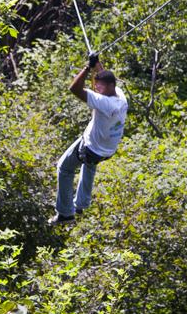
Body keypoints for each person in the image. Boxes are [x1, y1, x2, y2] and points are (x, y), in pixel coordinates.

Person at [49, 53, 128, 225]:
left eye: (100, 87)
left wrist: (86, 68)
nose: (96, 88)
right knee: (89, 165)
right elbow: (103, 77)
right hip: (107, 149)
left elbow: (74, 89)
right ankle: (81, 204)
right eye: (96, 86)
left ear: (110, 86)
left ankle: (65, 214)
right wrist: (96, 64)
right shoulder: (120, 95)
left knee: (64, 168)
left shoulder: (105, 103)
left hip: (91, 147)